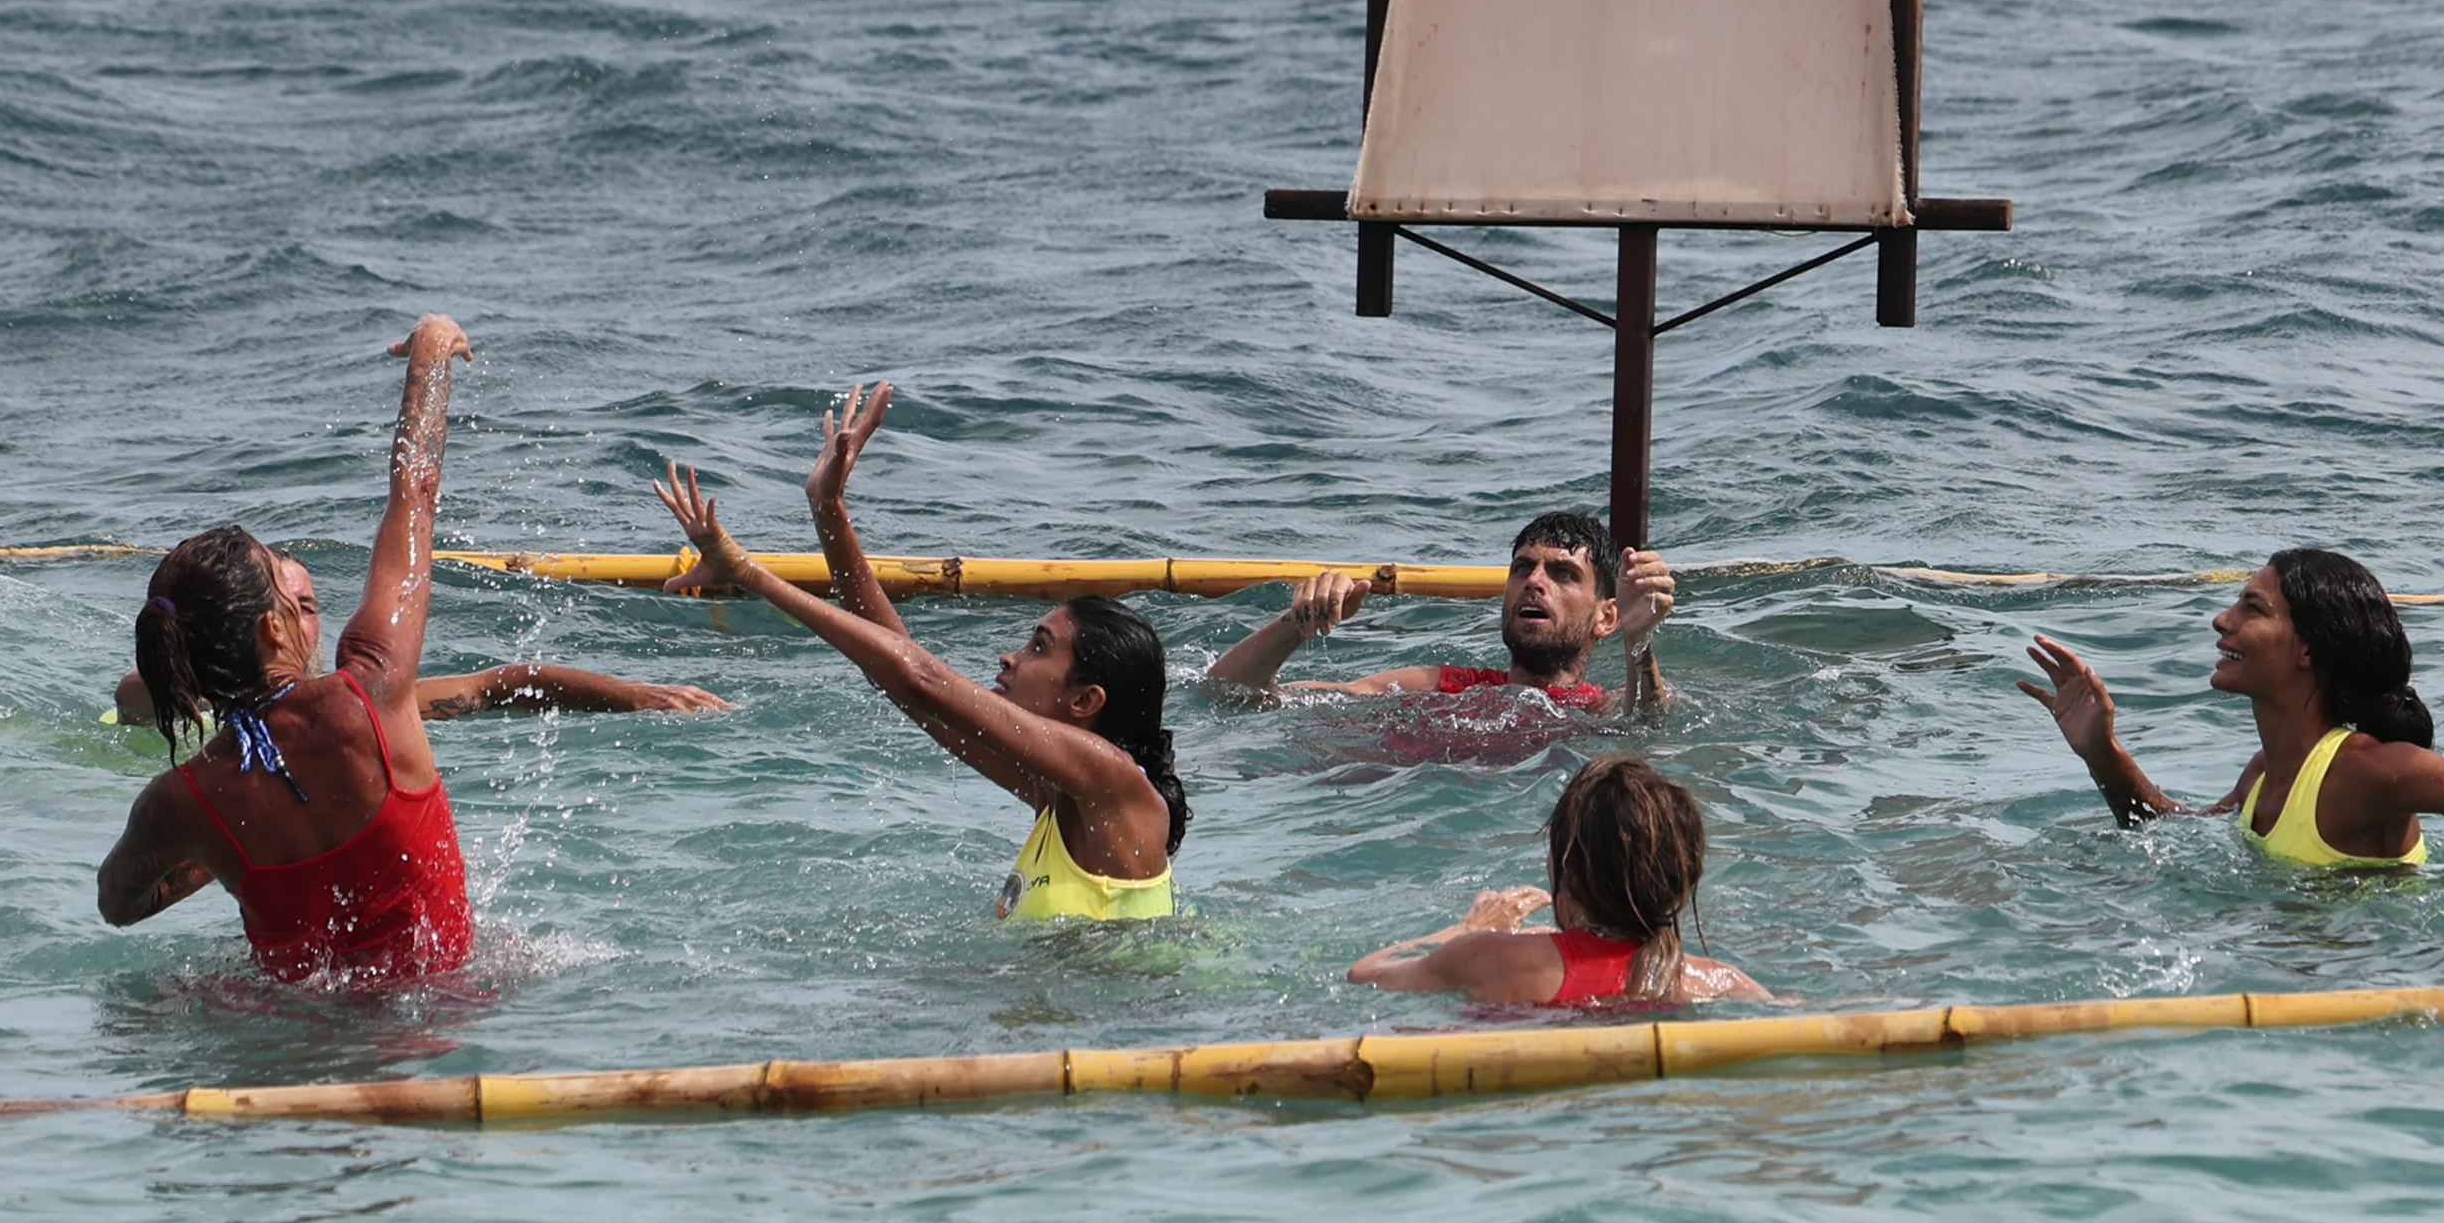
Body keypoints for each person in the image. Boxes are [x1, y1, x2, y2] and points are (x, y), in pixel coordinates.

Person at [653, 383, 1186, 921]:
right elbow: (905, 677)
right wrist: (828, 509)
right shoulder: (1059, 794)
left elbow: (920, 680)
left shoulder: (1111, 782)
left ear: (1085, 699)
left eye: (1039, 648)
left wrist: (749, 573)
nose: (1010, 658)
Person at [93, 316, 482, 983]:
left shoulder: (181, 802)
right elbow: (414, 496)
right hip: (444, 1017)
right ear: (274, 629)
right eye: (282, 586)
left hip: (288, 1045)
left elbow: (116, 902)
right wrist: (433, 347)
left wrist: (217, 858)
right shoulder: (373, 687)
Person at [2021, 548, 2444, 878]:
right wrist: (2103, 752)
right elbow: (2170, 832)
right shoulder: (2262, 773)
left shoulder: (2368, 773)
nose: (2221, 620)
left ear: (2309, 649)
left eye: (2251, 608)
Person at [107, 551, 724, 725]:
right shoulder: (202, 701)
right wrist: (215, 690)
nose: (301, 618)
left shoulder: (356, 701)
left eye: (311, 604)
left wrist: (632, 693)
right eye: (286, 605)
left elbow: (493, 687)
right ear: (262, 627)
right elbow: (134, 696)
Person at [1351, 756, 1765, 1006]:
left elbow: (1364, 975)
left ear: (1570, 879)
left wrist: (1463, 931)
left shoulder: (1488, 955)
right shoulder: (1717, 982)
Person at [1202, 510, 1673, 711]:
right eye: (1522, 568)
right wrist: (1295, 625)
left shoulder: (1597, 710)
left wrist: (1640, 640)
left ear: (1606, 617)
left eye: (1562, 573)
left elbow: (1647, 726)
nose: (1534, 581)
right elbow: (1231, 695)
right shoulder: (1437, 687)